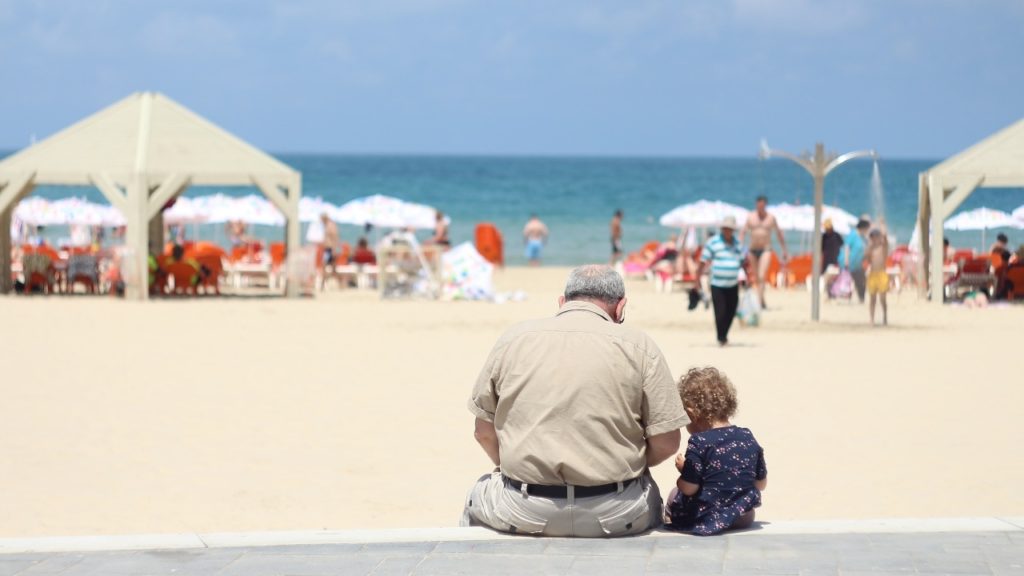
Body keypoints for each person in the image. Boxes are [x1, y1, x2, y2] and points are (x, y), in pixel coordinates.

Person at [462, 265, 688, 537]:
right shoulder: (640, 346)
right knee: (654, 497)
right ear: (620, 308)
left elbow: (482, 432)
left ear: (562, 302)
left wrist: (515, 467)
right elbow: (667, 442)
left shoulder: (515, 339)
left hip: (523, 508)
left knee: (476, 495)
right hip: (617, 511)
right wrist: (626, 464)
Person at [664, 367, 767, 536]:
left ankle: (670, 520)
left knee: (674, 494)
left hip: (708, 514)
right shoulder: (747, 436)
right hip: (744, 516)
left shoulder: (699, 442)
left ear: (691, 413)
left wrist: (685, 472)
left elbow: (689, 488)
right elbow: (760, 484)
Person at [694, 217, 744, 346]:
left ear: (733, 230)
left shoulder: (738, 244)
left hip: (733, 284)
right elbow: (702, 261)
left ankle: (724, 335)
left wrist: (747, 278)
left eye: (730, 229)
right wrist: (697, 280)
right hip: (717, 284)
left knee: (731, 311)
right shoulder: (713, 243)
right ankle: (721, 338)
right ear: (722, 229)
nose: (727, 231)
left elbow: (743, 262)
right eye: (725, 228)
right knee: (720, 312)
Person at [739, 196, 788, 308]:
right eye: (758, 204)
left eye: (762, 205)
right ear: (756, 204)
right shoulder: (751, 217)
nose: (760, 207)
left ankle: (759, 303)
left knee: (761, 276)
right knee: (756, 278)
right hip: (752, 250)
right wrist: (740, 247)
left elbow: (779, 233)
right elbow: (743, 232)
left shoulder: (771, 218)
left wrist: (784, 250)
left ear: (765, 205)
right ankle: (762, 300)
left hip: (766, 249)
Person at [867, 227, 889, 326]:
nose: (874, 239)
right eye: (872, 238)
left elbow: (886, 241)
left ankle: (884, 316)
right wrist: (870, 247)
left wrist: (882, 228)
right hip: (873, 274)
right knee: (872, 298)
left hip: (881, 273)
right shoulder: (871, 249)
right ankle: (872, 319)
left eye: (876, 237)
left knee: (882, 298)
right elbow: (866, 258)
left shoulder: (883, 247)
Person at [844, 218, 870, 303]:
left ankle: (861, 298)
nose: (867, 230)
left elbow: (867, 247)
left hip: (859, 263)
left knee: (862, 281)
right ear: (863, 227)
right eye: (867, 228)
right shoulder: (853, 235)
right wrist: (846, 260)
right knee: (858, 280)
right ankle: (860, 298)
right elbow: (847, 247)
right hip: (851, 262)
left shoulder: (862, 237)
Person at [821, 219, 844, 298]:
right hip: (827, 260)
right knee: (827, 278)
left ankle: (833, 293)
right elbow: (821, 249)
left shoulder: (836, 235)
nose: (827, 229)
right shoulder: (824, 236)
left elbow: (842, 246)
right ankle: (829, 294)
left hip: (835, 260)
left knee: (834, 277)